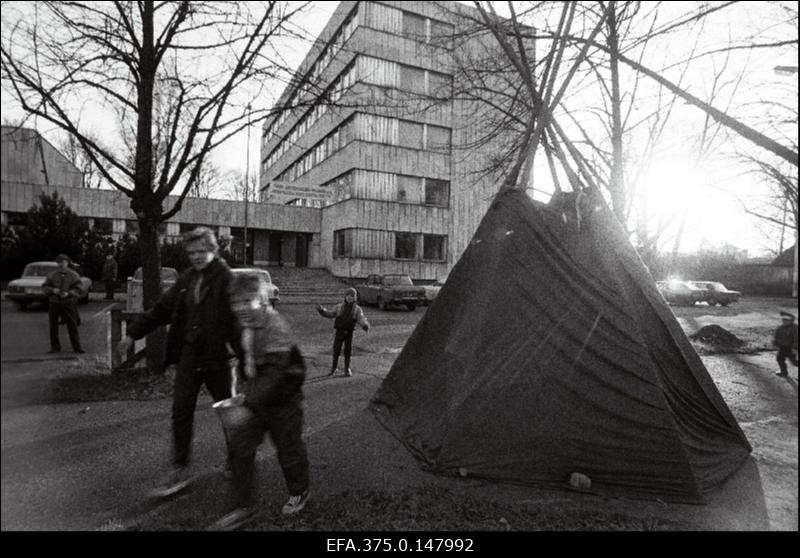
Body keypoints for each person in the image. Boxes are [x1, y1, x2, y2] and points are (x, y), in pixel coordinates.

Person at [116, 227, 241, 497]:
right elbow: (161, 309)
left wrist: (248, 358)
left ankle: (237, 459)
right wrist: (132, 334)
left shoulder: (226, 279)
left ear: (213, 250)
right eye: (191, 252)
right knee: (181, 412)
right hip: (190, 357)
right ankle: (180, 469)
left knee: (228, 413)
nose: (196, 256)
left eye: (201, 251)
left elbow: (241, 321)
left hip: (220, 360)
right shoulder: (187, 279)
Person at [210, 272, 310, 530]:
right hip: (256, 398)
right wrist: (238, 393)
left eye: (248, 301)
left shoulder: (276, 326)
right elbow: (243, 363)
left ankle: (300, 491)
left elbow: (275, 374)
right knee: (241, 447)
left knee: (289, 450)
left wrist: (246, 401)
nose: (241, 308)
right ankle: (243, 506)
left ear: (262, 299)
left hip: (284, 399)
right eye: (236, 302)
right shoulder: (240, 325)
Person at [317, 287, 369, 377]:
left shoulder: (357, 309)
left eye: (352, 296)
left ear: (354, 298)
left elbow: (361, 319)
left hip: (349, 333)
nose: (349, 298)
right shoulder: (339, 307)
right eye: (348, 296)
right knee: (336, 350)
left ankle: (347, 369)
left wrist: (365, 325)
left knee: (348, 351)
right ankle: (333, 368)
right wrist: (322, 311)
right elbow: (331, 314)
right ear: (345, 297)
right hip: (339, 332)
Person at [42, 254, 85, 354]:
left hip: (68, 302)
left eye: (63, 262)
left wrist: (69, 293)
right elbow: (45, 287)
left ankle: (77, 348)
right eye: (59, 262)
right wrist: (53, 290)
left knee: (72, 325)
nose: (61, 264)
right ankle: (55, 347)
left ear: (67, 263)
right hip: (54, 303)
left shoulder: (73, 275)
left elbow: (79, 288)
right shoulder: (52, 275)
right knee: (53, 326)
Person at [774, 311, 798, 377]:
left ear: (791, 321)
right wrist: (776, 342)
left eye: (786, 320)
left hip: (790, 348)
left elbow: (797, 339)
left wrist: (795, 348)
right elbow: (777, 335)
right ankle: (784, 372)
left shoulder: (794, 328)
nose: (784, 321)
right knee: (779, 358)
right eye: (783, 320)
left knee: (794, 362)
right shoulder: (781, 327)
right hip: (783, 347)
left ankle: (784, 372)